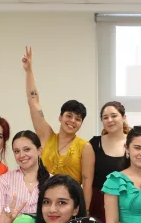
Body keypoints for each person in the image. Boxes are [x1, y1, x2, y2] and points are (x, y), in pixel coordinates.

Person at [22, 46, 91, 203]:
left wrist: (83, 212)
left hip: (70, 204)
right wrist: (29, 71)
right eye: (69, 115)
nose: (72, 121)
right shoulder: (47, 136)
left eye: (78, 119)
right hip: (43, 201)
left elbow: (87, 184)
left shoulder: (85, 147)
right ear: (60, 117)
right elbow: (34, 102)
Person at [0, 130, 47, 223]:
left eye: (26, 149)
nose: (21, 155)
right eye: (17, 151)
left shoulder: (52, 181)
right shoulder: (5, 180)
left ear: (39, 150)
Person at [87, 102, 129, 221]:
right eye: (105, 117)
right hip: (99, 203)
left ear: (124, 117)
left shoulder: (134, 143)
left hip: (127, 202)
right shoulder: (94, 143)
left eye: (114, 116)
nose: (110, 120)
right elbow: (87, 180)